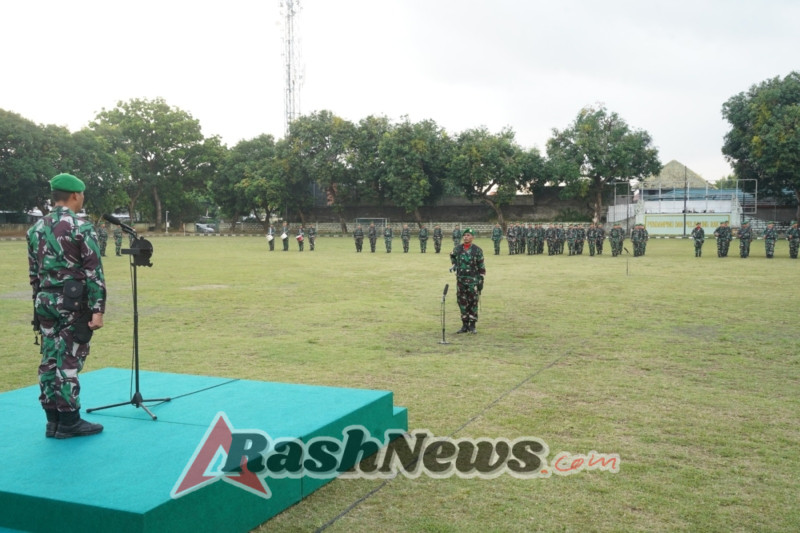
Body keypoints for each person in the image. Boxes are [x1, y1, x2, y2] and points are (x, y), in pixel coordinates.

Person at [27, 173, 106, 439]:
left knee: (49, 359)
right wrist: (98, 309)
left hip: (44, 300)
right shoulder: (81, 226)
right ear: (75, 195)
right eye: (82, 194)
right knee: (69, 359)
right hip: (72, 303)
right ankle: (70, 421)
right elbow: (94, 271)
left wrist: (39, 303)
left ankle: (53, 420)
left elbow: (34, 274)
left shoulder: (36, 228)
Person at [449, 228, 486, 334]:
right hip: (461, 280)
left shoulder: (477, 250)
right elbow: (452, 255)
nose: (466, 237)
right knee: (462, 301)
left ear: (472, 237)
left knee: (473, 302)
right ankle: (464, 325)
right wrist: (454, 264)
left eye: (468, 235)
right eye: (464, 235)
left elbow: (481, 265)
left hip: (473, 280)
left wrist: (481, 278)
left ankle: (472, 325)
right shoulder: (458, 248)